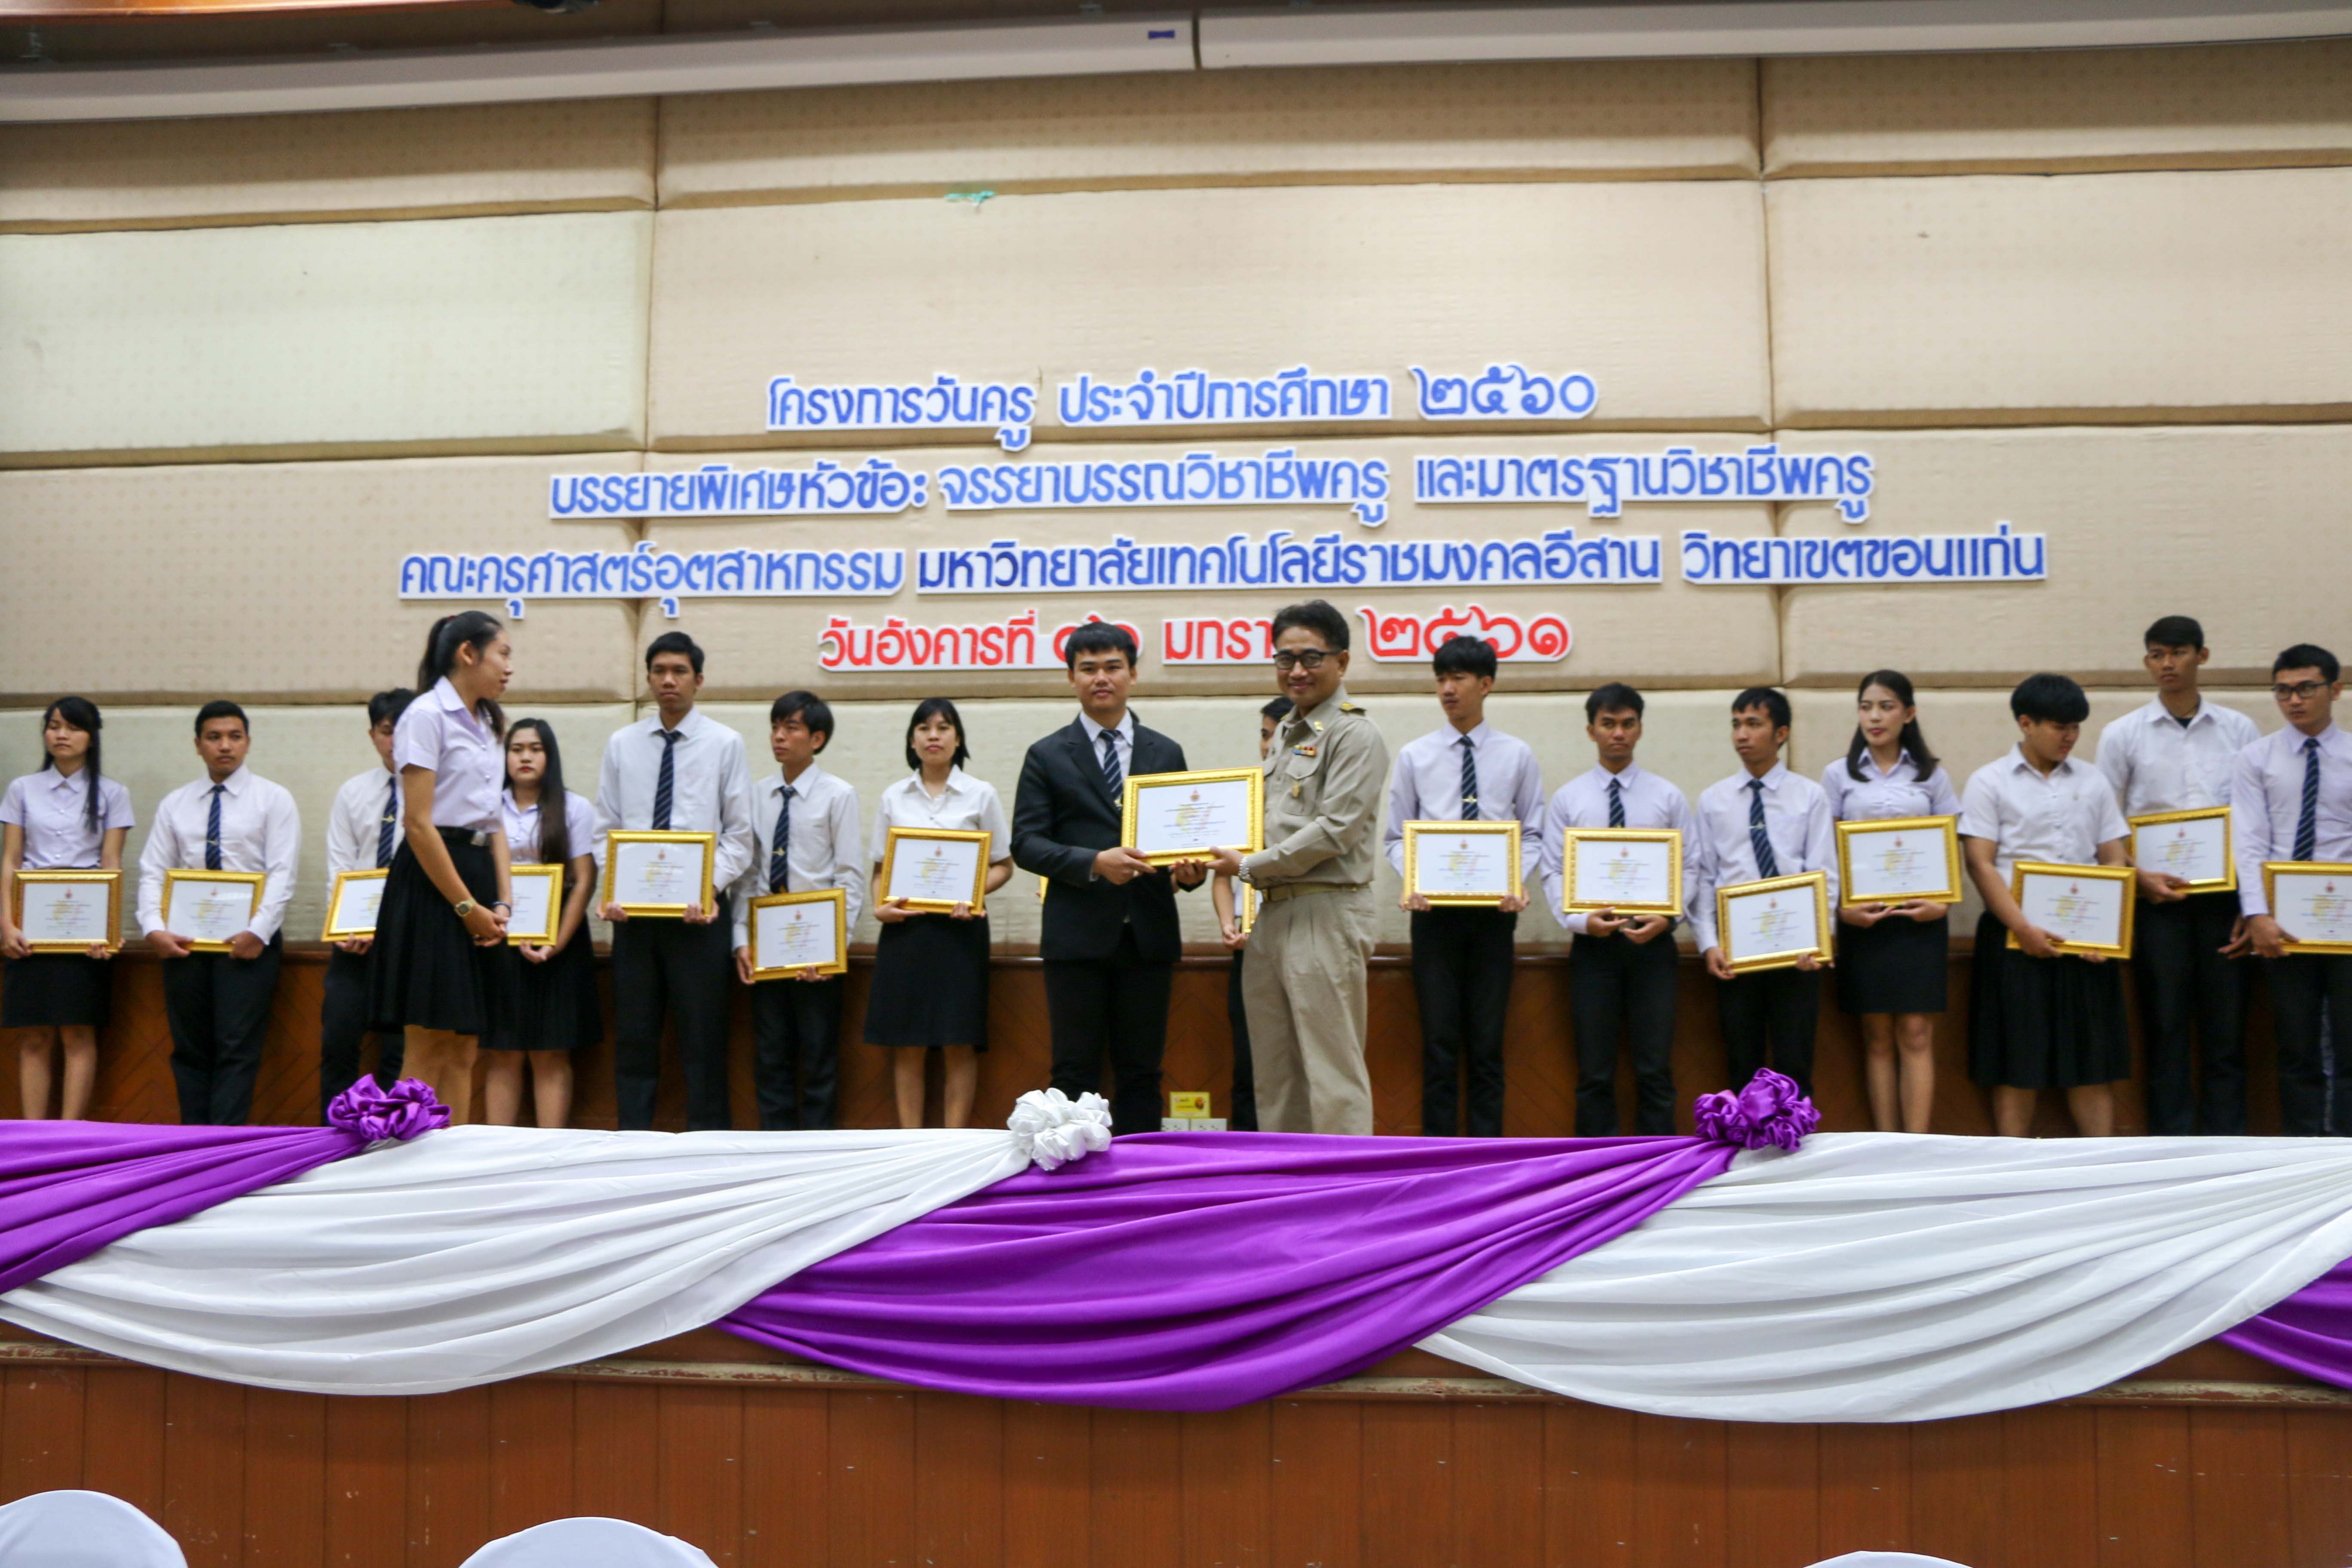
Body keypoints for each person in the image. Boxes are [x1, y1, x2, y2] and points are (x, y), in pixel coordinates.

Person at [1012, 624, 1207, 1137]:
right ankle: (1074, 1177)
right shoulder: (1047, 754)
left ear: (1133, 674)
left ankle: (1142, 1175)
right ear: (1072, 678)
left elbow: (1183, 838)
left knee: (1142, 1073)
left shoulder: (1166, 752)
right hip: (1076, 936)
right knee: (1073, 1074)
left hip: (1148, 935)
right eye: (1089, 668)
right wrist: (1094, 862)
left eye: (1113, 667)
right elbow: (1026, 843)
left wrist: (1189, 874)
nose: (1102, 678)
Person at [1207, 600, 1389, 1135]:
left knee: (1332, 1073)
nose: (1297, 671)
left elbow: (1336, 830)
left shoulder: (1355, 735)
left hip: (1326, 913)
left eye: (1311, 657)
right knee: (1276, 1073)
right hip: (1271, 914)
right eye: (1285, 659)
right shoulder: (1287, 731)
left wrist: (1248, 865)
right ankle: (1286, 1176)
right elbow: (1263, 821)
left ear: (1342, 661)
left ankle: (1344, 1182)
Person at [2095, 616, 2261, 1135]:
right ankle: (2173, 1148)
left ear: (2202, 656)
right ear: (2147, 662)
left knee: (2225, 1031)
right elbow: (2103, 824)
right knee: (2165, 1027)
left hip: (2224, 902)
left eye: (2178, 653)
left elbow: (2255, 822)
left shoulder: (2239, 729)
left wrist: (2253, 904)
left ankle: (2229, 1147)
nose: (2167, 664)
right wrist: (2137, 877)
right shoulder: (2122, 734)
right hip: (2156, 902)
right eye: (2157, 655)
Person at [596, 632, 757, 1132]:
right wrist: (614, 889)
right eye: (660, 670)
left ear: (698, 680)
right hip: (635, 920)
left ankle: (708, 1149)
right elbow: (605, 829)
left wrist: (706, 889)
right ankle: (632, 1147)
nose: (669, 680)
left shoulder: (725, 744)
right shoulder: (622, 744)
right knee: (634, 1039)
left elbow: (740, 837)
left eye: (680, 671)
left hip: (699, 917)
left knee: (703, 1041)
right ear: (648, 678)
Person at [1960, 673, 2132, 1138]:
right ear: (2026, 723)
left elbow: (2114, 857)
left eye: (2076, 727)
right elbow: (1980, 863)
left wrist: (2107, 934)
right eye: (2060, 727)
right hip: (2014, 939)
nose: (2070, 736)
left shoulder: (2093, 781)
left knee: (2092, 1065)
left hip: (2088, 944)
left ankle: (2101, 1167)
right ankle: (2012, 1168)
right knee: (2018, 1063)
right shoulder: (1989, 781)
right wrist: (2023, 928)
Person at [1383, 635, 1542, 1136]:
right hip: (1434, 918)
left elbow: (1533, 833)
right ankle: (1439, 1158)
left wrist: (1516, 881)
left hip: (1495, 916)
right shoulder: (1415, 756)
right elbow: (1394, 836)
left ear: (1486, 684)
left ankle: (1488, 1157)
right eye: (1440, 680)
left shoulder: (1517, 755)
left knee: (1488, 1047)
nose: (1447, 690)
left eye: (1458, 678)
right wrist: (1412, 880)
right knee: (1439, 1045)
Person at [369, 613, 513, 1123]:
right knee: (428, 1040)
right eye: (503, 654)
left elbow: (495, 822)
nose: (509, 667)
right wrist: (466, 907)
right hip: (434, 880)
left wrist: (502, 901)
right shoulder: (426, 715)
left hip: (477, 874)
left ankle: (455, 1152)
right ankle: (411, 1152)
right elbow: (417, 823)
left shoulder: (490, 722)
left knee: (465, 1046)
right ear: (468, 653)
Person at [1538, 683, 1697, 1136]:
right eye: (1608, 724)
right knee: (1594, 1072)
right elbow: (1553, 871)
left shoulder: (1667, 798)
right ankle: (1597, 1168)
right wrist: (1580, 922)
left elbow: (1691, 866)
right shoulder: (1569, 800)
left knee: (1655, 1069)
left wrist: (1670, 918)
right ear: (1591, 731)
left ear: (1640, 729)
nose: (1618, 734)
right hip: (1594, 949)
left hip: (1654, 948)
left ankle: (1659, 1166)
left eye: (1628, 724)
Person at [137, 701, 300, 1126]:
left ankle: (223, 1146)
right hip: (185, 944)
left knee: (237, 1048)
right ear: (198, 745)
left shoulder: (274, 799)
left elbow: (283, 873)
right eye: (214, 737)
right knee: (190, 1049)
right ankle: (193, 1143)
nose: (224, 746)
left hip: (248, 943)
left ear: (247, 743)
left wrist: (258, 932)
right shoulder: (175, 804)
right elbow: (153, 870)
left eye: (234, 737)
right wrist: (153, 929)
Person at [1822, 670, 1963, 1133]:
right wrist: (1841, 911)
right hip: (1865, 922)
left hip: (1920, 921)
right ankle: (1886, 1144)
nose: (1874, 717)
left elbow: (1950, 846)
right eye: (1866, 707)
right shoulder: (1838, 775)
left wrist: (1944, 905)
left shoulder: (1932, 775)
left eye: (1886, 707)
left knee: (1917, 1033)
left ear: (1909, 713)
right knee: (1878, 1037)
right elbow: (1827, 851)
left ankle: (1915, 1145)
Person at [867, 698, 1012, 1129]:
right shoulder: (894, 796)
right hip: (906, 932)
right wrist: (880, 908)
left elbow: (1004, 866)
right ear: (912, 741)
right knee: (908, 1042)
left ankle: (955, 1144)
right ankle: (911, 1143)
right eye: (925, 728)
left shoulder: (981, 794)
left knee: (958, 1041)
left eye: (944, 727)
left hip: (960, 932)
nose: (934, 736)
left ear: (958, 739)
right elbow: (880, 869)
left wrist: (972, 894)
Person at [1692, 687, 1837, 1098]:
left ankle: (1799, 1139)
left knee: (1795, 1067)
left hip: (1798, 954)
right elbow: (1704, 877)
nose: (1742, 734)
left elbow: (1824, 873)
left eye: (1754, 724)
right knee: (1743, 1066)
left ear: (1781, 733)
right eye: (1736, 724)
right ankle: (1747, 1141)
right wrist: (1708, 943)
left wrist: (1820, 941)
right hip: (1737, 954)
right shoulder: (1713, 800)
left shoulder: (1809, 796)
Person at [2233, 643, 2352, 1137]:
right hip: (2283, 924)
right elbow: (2248, 841)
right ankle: (2305, 1151)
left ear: (2336, 690)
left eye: (2306, 688)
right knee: (2296, 1044)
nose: (2294, 700)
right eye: (2283, 691)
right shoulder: (2255, 758)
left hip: (2347, 922)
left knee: (2350, 1044)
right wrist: (2257, 914)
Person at [730, 691, 863, 1132]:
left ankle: (817, 1151)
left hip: (818, 949)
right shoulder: (756, 795)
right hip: (767, 945)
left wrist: (834, 952)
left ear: (817, 739)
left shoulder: (838, 795)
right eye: (775, 727)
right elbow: (748, 874)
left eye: (791, 728)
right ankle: (775, 1149)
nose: (779, 737)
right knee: (771, 1057)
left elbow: (849, 876)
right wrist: (741, 939)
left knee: (819, 1056)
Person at [0, 697, 134, 1120]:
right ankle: (33, 1136)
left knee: (78, 1034)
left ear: (92, 738)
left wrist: (108, 930)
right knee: (34, 1036)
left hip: (84, 923)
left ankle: (70, 1134)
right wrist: (6, 924)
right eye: (54, 725)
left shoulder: (113, 793)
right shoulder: (22, 789)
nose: (62, 734)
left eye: (74, 727)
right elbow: (11, 859)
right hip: (30, 922)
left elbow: (111, 863)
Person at [483, 717, 600, 1128]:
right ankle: (497, 1152)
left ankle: (551, 1152)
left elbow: (584, 881)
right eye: (517, 749)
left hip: (558, 942)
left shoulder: (574, 808)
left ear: (550, 756)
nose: (526, 757)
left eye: (536, 749)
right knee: (503, 1051)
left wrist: (557, 943)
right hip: (497, 937)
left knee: (551, 1051)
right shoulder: (486, 807)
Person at [318, 687, 413, 1118]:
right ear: (373, 735)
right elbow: (339, 866)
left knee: (400, 1051)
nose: (395, 741)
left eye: (405, 730)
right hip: (354, 942)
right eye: (387, 731)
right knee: (338, 1042)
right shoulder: (352, 792)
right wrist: (343, 927)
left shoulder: (438, 791)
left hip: (409, 941)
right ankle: (334, 1136)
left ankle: (398, 1140)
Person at [1210, 696, 1292, 1133]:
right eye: (1264, 734)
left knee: (1298, 1062)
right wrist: (1229, 924)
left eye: (1277, 734)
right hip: (1249, 949)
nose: (1268, 744)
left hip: (1297, 941)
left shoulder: (1308, 799)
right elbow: (1221, 877)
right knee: (1248, 1063)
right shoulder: (1242, 796)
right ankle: (1247, 1156)